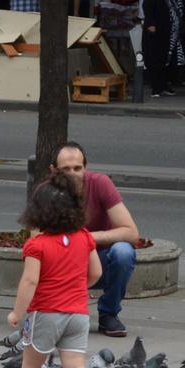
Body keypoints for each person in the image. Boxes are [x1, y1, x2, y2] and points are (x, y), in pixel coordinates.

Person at [5, 176, 101, 368]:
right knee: (76, 365)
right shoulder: (85, 237)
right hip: (78, 313)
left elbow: (29, 281)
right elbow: (95, 273)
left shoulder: (37, 245)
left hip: (46, 313)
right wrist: (78, 287)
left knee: (32, 363)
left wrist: (17, 312)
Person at [51, 142, 140, 338]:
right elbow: (37, 241)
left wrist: (85, 238)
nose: (73, 174)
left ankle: (109, 313)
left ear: (86, 166)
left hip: (100, 260)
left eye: (78, 168)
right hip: (64, 263)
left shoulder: (100, 183)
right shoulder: (45, 192)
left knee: (123, 251)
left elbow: (131, 232)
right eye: (66, 169)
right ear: (53, 170)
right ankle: (55, 313)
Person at [140, 0, 184, 97]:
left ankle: (165, 85)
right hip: (157, 31)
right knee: (156, 58)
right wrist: (150, 24)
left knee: (168, 58)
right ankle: (156, 88)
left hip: (171, 33)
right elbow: (147, 6)